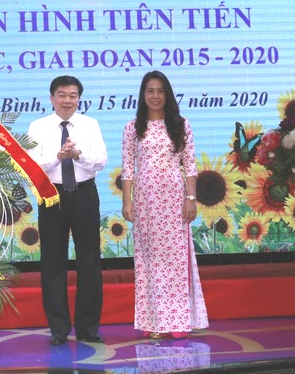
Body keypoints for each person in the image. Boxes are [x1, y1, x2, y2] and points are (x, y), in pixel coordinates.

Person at [121, 70, 209, 339]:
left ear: (167, 94)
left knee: (175, 260)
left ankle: (178, 320)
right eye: (150, 91)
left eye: (160, 91)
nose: (155, 96)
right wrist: (127, 201)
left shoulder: (181, 124)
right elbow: (128, 168)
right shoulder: (133, 127)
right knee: (150, 261)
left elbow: (190, 165)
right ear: (143, 95)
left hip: (174, 199)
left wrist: (191, 198)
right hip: (146, 201)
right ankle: (154, 322)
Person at [27, 75, 108, 345]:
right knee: (53, 261)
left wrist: (77, 155)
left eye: (72, 96)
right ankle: (59, 329)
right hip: (52, 196)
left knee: (90, 260)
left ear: (79, 99)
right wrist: (57, 157)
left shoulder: (90, 124)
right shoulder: (37, 127)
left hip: (85, 194)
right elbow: (32, 165)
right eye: (61, 95)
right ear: (51, 98)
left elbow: (101, 161)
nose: (67, 100)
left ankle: (87, 328)